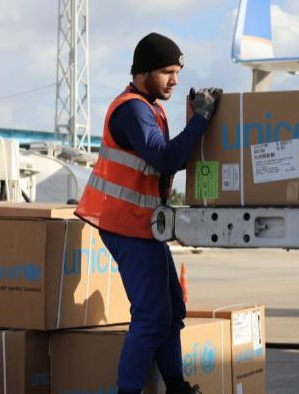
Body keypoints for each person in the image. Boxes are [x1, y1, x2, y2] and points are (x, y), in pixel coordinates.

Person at [75, 32, 222, 394]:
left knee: (171, 310)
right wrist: (199, 123)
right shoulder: (132, 109)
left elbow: (168, 163)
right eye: (167, 72)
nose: (174, 80)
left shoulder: (151, 107)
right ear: (143, 73)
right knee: (152, 316)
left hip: (144, 227)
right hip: (125, 226)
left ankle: (176, 386)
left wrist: (194, 126)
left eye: (177, 72)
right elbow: (166, 156)